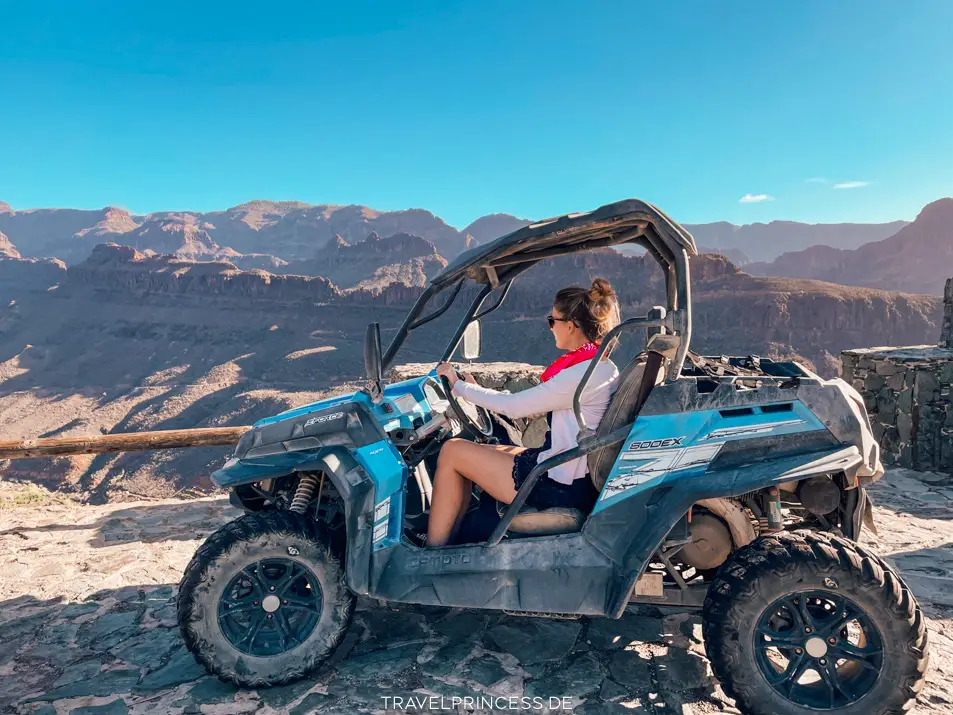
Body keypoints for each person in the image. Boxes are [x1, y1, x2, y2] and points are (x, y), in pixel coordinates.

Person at [428, 278, 621, 547]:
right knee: (483, 451)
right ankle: (454, 540)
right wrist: (476, 390)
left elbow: (515, 407)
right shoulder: (598, 366)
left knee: (452, 451)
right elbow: (527, 402)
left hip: (560, 484)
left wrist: (459, 387)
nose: (550, 327)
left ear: (571, 325)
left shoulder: (581, 375)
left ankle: (432, 552)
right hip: (568, 470)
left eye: (552, 320)